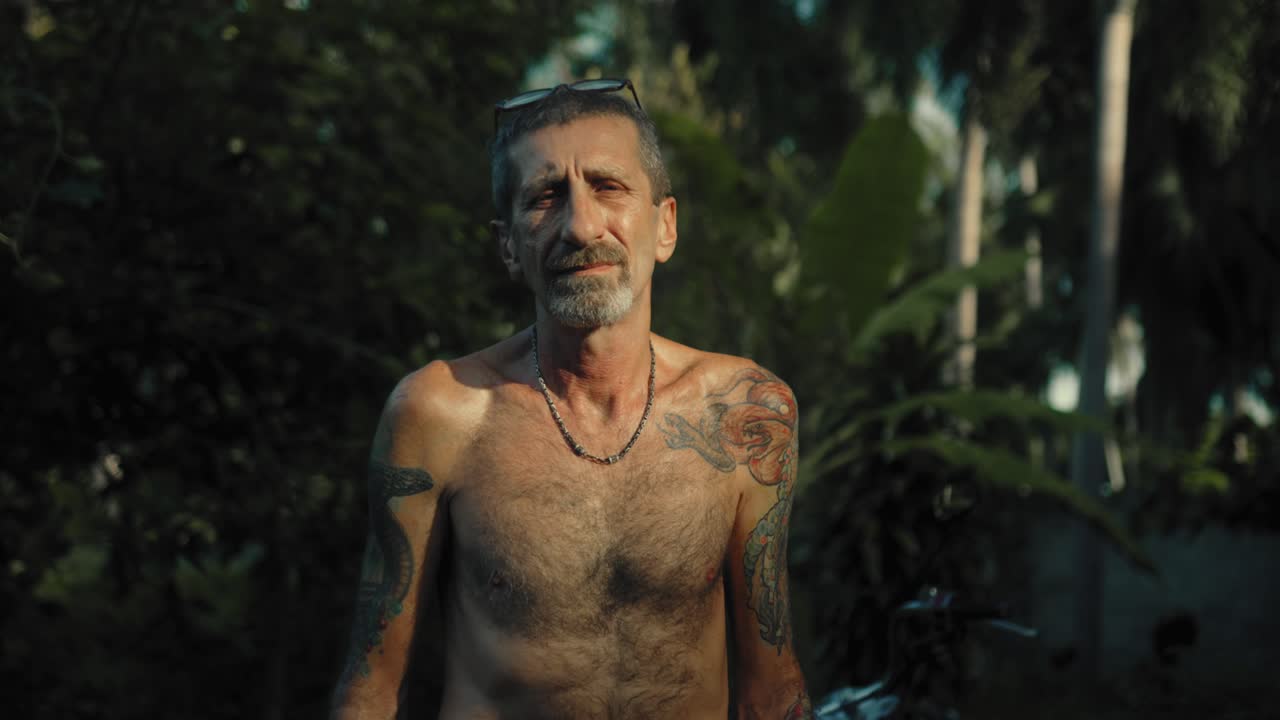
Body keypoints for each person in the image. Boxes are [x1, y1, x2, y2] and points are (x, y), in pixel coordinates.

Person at [329, 78, 811, 719]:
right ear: (508, 247)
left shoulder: (747, 414)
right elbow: (373, 686)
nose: (581, 227)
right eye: (546, 197)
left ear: (665, 227)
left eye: (608, 187)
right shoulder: (440, 414)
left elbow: (771, 687)